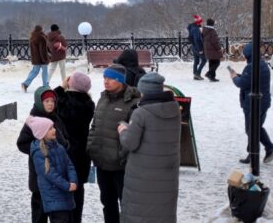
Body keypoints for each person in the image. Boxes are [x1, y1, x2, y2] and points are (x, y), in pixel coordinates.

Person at [118, 73, 181, 223]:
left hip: (143, 175)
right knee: (162, 213)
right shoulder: (174, 110)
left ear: (144, 91)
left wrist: (123, 130)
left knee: (140, 213)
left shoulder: (141, 113)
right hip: (167, 174)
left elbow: (130, 143)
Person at [86, 65, 141, 223]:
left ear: (120, 80)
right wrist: (91, 147)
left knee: (126, 204)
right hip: (102, 162)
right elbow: (95, 125)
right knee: (107, 203)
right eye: (104, 78)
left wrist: (122, 155)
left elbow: (134, 134)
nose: (106, 81)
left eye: (110, 78)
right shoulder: (103, 98)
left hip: (121, 165)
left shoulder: (133, 102)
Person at [17, 86, 69, 223]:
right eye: (46, 101)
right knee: (39, 213)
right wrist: (39, 150)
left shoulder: (56, 118)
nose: (50, 104)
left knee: (58, 214)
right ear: (40, 102)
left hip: (57, 176)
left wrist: (64, 145)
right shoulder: (33, 120)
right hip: (39, 177)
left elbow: (64, 140)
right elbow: (22, 143)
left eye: (52, 101)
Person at [53, 72, 95, 223]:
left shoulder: (63, 101)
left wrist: (61, 86)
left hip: (64, 152)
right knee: (78, 190)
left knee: (62, 190)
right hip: (82, 154)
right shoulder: (89, 104)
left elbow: (50, 100)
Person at [229, 43, 273, 164]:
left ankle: (261, 151)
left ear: (249, 55)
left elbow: (242, 83)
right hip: (264, 101)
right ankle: (264, 150)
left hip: (253, 103)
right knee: (256, 128)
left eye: (245, 55)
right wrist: (240, 76)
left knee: (251, 129)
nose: (244, 57)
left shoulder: (252, 67)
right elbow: (251, 80)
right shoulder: (261, 65)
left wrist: (234, 77)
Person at [26, 116, 78, 223]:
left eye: (53, 127)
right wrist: (67, 185)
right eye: (50, 128)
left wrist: (73, 181)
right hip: (53, 198)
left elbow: (69, 165)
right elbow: (50, 173)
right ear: (42, 133)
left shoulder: (59, 147)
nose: (54, 130)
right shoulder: (39, 152)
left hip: (66, 195)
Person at [22, 25, 50, 92]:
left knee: (34, 71)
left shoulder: (32, 37)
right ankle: (45, 86)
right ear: (41, 30)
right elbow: (42, 50)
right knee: (45, 72)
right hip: (42, 58)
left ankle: (25, 83)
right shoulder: (41, 38)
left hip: (35, 58)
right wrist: (45, 59)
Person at [187, 15, 206, 80]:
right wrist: (200, 49)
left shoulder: (192, 27)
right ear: (198, 22)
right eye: (201, 22)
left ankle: (195, 75)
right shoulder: (196, 29)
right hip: (197, 47)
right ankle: (197, 74)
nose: (201, 23)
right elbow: (197, 40)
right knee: (204, 59)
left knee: (196, 61)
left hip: (193, 46)